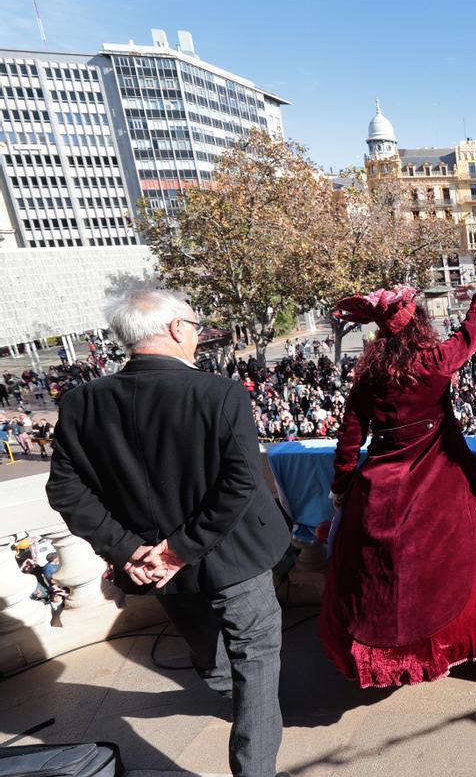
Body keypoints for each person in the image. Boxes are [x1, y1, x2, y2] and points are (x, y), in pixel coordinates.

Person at [46, 290, 291, 777]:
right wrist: (178, 550)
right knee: (256, 665)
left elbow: (67, 491)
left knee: (215, 658)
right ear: (177, 328)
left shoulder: (82, 402)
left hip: (153, 568)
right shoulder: (218, 392)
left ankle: (232, 696)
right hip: (231, 559)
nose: (199, 335)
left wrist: (130, 549)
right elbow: (242, 482)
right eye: (196, 325)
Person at [320, 282, 476, 687]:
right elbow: (470, 335)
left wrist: (342, 488)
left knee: (378, 581)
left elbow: (349, 439)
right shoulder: (434, 361)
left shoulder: (370, 378)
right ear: (420, 325)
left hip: (379, 484)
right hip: (438, 480)